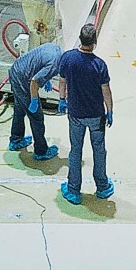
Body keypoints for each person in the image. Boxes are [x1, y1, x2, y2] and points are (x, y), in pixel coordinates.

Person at [52, 22, 115, 204]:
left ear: (80, 39)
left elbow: (62, 81)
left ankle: (73, 190)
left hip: (76, 114)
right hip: (96, 116)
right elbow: (106, 91)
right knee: (99, 150)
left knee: (75, 151)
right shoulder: (99, 65)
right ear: (94, 42)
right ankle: (102, 187)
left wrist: (62, 100)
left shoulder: (67, 59)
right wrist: (109, 110)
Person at [0, 32, 63, 160]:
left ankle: (16, 140)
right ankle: (41, 151)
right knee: (36, 116)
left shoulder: (57, 50)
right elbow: (35, 81)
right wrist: (34, 100)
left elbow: (40, 62)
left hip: (16, 70)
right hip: (23, 80)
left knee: (19, 109)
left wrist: (46, 79)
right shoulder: (56, 65)